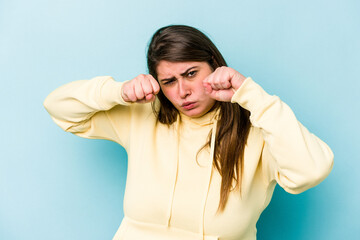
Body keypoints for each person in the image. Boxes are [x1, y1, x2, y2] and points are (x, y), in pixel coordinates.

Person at [44, 25, 334, 240]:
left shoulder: (258, 128)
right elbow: (58, 107)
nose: (182, 91)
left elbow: (311, 171)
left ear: (215, 65)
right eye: (169, 81)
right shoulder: (144, 115)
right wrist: (117, 91)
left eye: (191, 73)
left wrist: (252, 95)